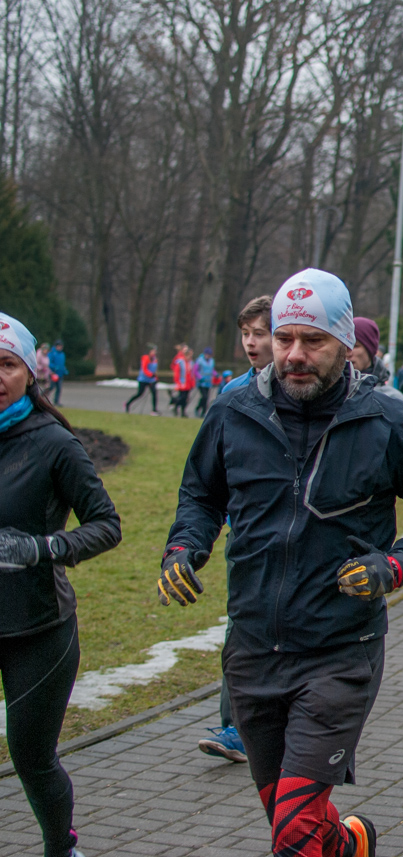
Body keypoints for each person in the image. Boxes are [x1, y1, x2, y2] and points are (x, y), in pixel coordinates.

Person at [161, 268, 403, 857]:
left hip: (339, 653)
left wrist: (398, 565)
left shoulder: (387, 420)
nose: (293, 355)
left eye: (312, 341)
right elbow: (201, 494)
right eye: (283, 339)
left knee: (295, 832)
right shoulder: (234, 412)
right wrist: (184, 546)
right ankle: (350, 843)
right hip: (251, 649)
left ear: (345, 342)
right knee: (291, 820)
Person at [0, 311, 123, 857]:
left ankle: (59, 847)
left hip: (37, 628)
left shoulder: (53, 442)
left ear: (30, 372)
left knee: (31, 758)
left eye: (6, 364)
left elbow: (106, 524)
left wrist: (42, 548)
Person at [195, 295, 273, 764]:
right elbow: (210, 470)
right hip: (243, 535)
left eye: (260, 333)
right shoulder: (231, 394)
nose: (250, 342)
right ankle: (234, 728)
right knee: (241, 628)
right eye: (245, 333)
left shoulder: (296, 393)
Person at [221, 295, 274, 394]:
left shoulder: (295, 390)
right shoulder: (231, 391)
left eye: (258, 334)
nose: (249, 342)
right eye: (245, 334)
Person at [350, 318, 403, 402]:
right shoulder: (331, 394)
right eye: (345, 346)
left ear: (370, 350)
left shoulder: (392, 399)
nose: (348, 352)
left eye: (355, 346)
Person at [125, 344, 160, 414]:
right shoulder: (145, 358)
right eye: (153, 351)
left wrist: (155, 378)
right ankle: (128, 404)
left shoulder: (155, 359)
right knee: (140, 394)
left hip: (151, 380)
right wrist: (151, 375)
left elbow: (154, 370)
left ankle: (154, 410)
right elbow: (144, 369)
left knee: (154, 393)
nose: (154, 352)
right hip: (143, 379)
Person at [169, 344, 194, 417]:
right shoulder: (180, 362)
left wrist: (193, 383)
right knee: (182, 397)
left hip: (188, 384)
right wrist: (178, 382)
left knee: (186, 399)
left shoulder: (191, 363)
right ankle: (175, 405)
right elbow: (177, 374)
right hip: (182, 383)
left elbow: (192, 374)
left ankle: (183, 411)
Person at [194, 347, 216, 417]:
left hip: (208, 383)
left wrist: (216, 374)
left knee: (207, 398)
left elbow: (211, 370)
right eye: (207, 354)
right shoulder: (199, 360)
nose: (208, 356)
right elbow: (195, 371)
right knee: (204, 396)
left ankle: (203, 412)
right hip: (201, 382)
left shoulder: (211, 361)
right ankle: (198, 408)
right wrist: (200, 377)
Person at [48, 340, 67, 405]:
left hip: (60, 374)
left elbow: (62, 364)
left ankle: (57, 401)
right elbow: (49, 363)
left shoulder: (62, 354)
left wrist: (64, 370)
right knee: (51, 387)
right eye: (59, 346)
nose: (60, 347)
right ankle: (44, 398)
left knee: (59, 388)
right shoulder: (52, 353)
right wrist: (54, 367)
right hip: (53, 373)